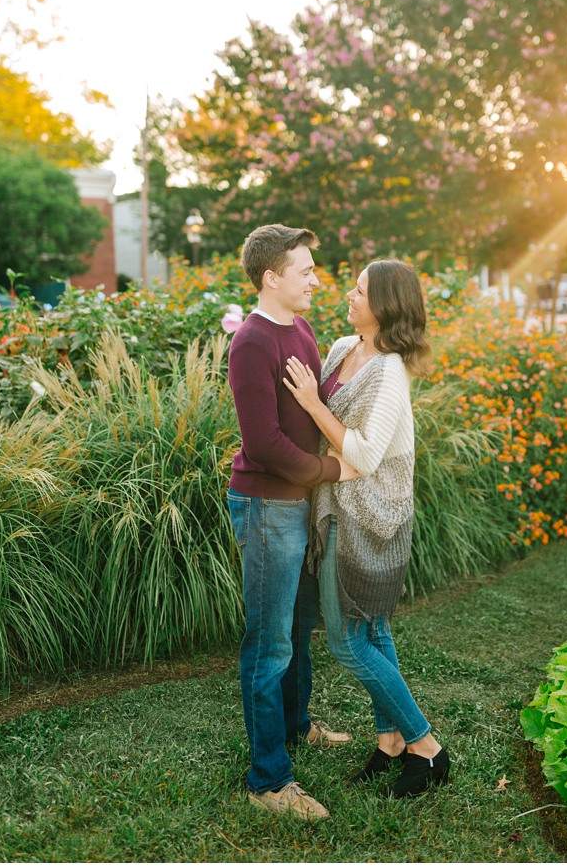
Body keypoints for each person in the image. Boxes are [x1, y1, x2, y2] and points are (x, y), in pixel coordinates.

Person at [282, 259, 451, 798]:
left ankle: (426, 746)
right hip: (335, 501)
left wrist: (311, 402)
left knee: (349, 641)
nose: (348, 296)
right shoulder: (340, 348)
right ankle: (390, 743)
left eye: (359, 291)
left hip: (370, 515)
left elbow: (364, 453)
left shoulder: (390, 371)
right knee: (374, 631)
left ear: (386, 306)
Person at [225, 224, 353, 821]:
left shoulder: (299, 327)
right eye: (304, 270)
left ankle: (297, 727)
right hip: (268, 508)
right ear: (271, 277)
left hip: (296, 506)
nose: (314, 280)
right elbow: (265, 444)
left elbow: (314, 407)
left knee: (298, 630)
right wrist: (332, 470)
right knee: (268, 645)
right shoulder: (251, 342)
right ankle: (268, 781)